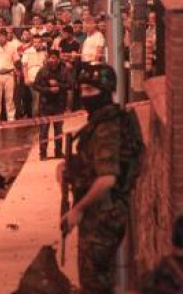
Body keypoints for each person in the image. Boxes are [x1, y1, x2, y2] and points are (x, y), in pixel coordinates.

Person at [60, 63, 142, 294]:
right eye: (82, 90)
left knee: (95, 284)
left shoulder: (107, 127)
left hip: (103, 215)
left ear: (105, 92)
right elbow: (93, 166)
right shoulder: (101, 122)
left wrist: (77, 210)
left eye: (91, 90)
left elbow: (107, 179)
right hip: (100, 212)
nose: (85, 96)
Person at [33, 50, 71, 160]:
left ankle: (58, 152)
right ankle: (43, 153)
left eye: (54, 58)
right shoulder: (43, 70)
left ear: (58, 59)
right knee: (44, 130)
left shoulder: (64, 71)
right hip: (45, 105)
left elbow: (71, 84)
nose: (52, 60)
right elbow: (35, 85)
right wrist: (48, 90)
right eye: (50, 58)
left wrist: (59, 86)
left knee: (58, 130)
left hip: (59, 104)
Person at [0, 30, 19, 122]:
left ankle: (11, 116)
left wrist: (14, 70)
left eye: (3, 36)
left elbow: (16, 60)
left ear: (6, 37)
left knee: (10, 97)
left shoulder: (12, 46)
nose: (1, 39)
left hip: (9, 74)